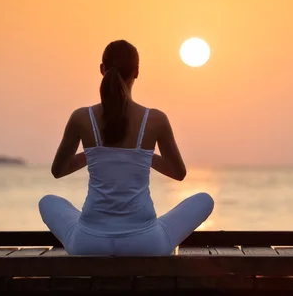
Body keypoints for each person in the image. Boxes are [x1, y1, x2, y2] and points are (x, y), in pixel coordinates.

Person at [38, 40, 214, 255]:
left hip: (88, 243)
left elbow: (58, 170)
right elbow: (178, 173)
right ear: (137, 72)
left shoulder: (81, 118)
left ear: (102, 70)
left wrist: (94, 153)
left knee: (48, 202)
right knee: (205, 200)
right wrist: (142, 155)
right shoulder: (155, 119)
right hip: (146, 243)